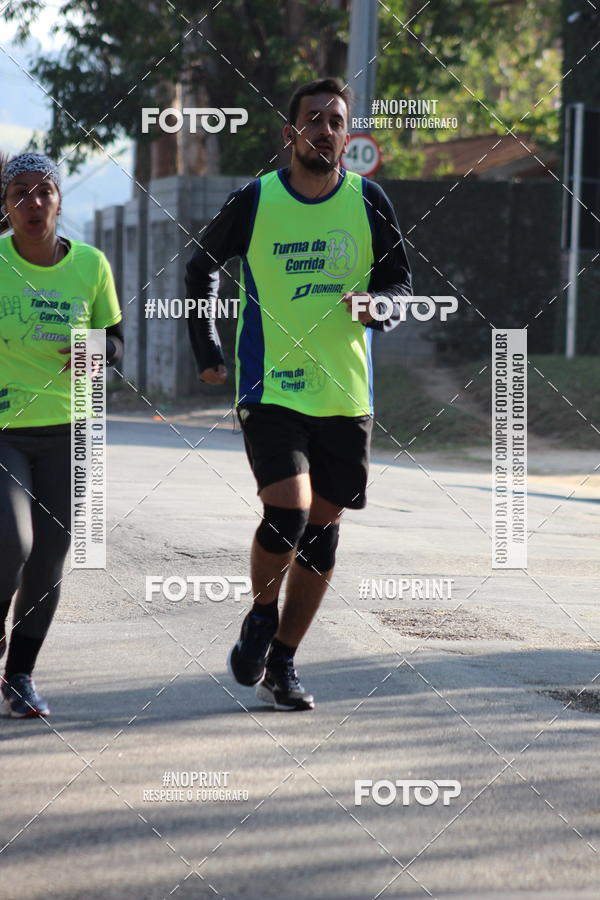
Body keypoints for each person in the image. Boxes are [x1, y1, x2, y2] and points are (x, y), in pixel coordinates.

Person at [186, 77, 411, 710]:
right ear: (291, 134)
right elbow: (202, 263)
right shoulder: (256, 200)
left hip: (345, 393)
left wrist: (379, 307)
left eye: (336, 120)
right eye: (313, 119)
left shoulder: (370, 201)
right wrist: (207, 350)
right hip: (273, 385)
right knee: (287, 509)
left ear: (346, 134)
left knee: (322, 533)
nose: (324, 129)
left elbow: (399, 282)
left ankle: (284, 660)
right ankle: (261, 616)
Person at [0, 152, 124, 717]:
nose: (33, 202)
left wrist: (93, 354)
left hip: (71, 429)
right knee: (11, 543)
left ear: (59, 199)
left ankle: (19, 676)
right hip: (5, 429)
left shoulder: (92, 265)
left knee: (49, 561)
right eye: (20, 193)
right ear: (6, 205)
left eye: (43, 190)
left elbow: (114, 343)